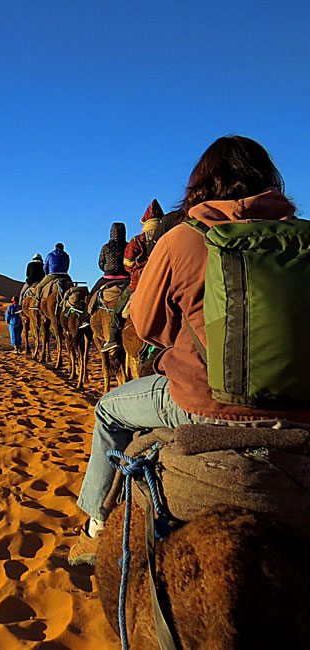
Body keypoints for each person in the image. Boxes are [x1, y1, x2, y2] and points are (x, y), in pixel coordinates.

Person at [69, 135, 310, 566]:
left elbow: (146, 325)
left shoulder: (178, 238)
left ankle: (95, 525)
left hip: (202, 403)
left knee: (107, 409)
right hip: (301, 407)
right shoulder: (303, 240)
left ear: (199, 186)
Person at [100, 201, 162, 352]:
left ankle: (113, 338)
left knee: (117, 308)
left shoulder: (136, 241)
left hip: (134, 282)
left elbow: (126, 264)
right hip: (161, 280)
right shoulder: (165, 237)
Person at [89, 222, 130, 296]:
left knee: (92, 295)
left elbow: (101, 264)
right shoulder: (129, 246)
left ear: (111, 232)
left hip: (108, 277)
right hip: (125, 276)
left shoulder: (106, 247)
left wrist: (108, 269)